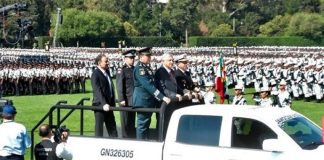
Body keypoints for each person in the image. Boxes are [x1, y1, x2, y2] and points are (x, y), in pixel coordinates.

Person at [133, 47, 171, 140]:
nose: (150, 57)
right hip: (143, 101)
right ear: (141, 57)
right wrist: (162, 97)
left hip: (148, 101)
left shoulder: (146, 67)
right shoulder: (140, 69)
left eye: (150, 56)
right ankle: (140, 145)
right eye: (148, 56)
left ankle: (145, 142)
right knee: (142, 125)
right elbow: (148, 86)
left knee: (146, 124)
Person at [91, 54, 118, 137]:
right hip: (100, 106)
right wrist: (104, 103)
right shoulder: (95, 74)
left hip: (109, 106)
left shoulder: (107, 72)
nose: (108, 63)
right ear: (99, 63)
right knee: (99, 131)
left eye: (108, 61)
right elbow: (97, 90)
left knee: (113, 130)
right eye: (106, 61)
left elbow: (109, 88)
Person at [116, 49, 136, 138]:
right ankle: (125, 138)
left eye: (133, 58)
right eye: (130, 58)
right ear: (125, 59)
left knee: (132, 122)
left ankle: (131, 138)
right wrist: (121, 99)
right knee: (125, 122)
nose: (132, 59)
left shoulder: (134, 69)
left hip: (133, 100)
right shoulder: (122, 70)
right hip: (126, 100)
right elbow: (119, 86)